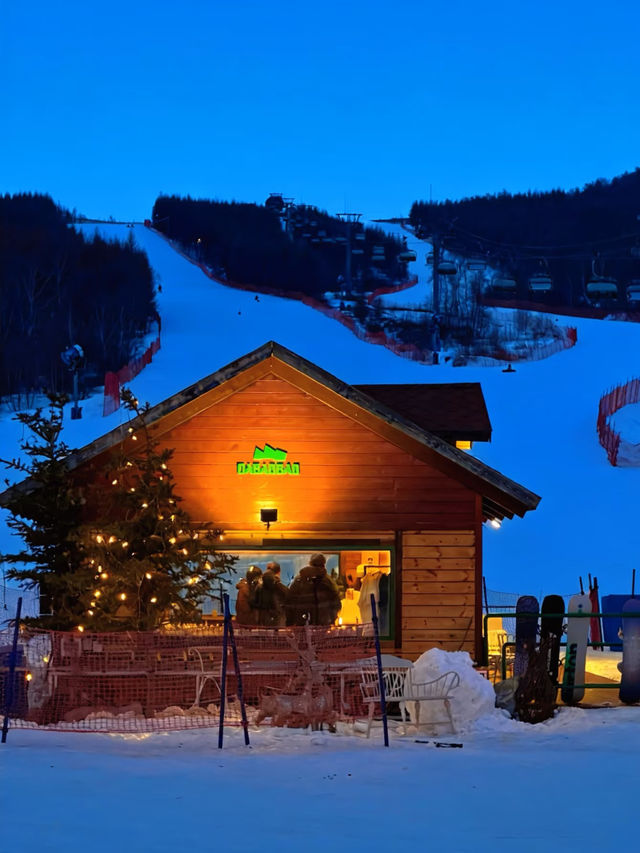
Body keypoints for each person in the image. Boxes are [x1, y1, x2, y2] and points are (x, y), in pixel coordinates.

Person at [286, 554, 341, 626]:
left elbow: (290, 601)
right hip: (323, 623)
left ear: (310, 563)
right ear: (324, 564)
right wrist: (331, 619)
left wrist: (290, 622)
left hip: (301, 623)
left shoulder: (299, 580)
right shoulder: (328, 581)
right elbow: (336, 604)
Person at [251, 561, 289, 627]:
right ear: (278, 572)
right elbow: (289, 599)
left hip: (263, 621)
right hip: (279, 621)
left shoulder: (258, 587)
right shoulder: (280, 586)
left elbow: (254, 603)